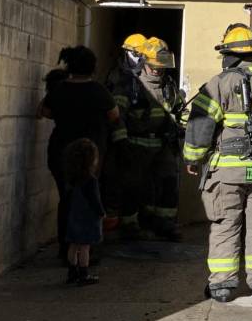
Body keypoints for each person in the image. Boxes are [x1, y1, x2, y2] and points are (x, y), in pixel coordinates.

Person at [182, 24, 252, 302]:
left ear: (229, 55)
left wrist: (192, 158)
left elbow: (200, 125)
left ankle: (223, 285)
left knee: (225, 223)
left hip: (229, 172)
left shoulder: (218, 84)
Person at [39, 46, 120, 263]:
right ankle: (86, 250)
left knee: (66, 199)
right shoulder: (99, 91)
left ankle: (66, 249)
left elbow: (44, 112)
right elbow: (114, 115)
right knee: (90, 199)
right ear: (92, 67)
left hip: (60, 153)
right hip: (90, 154)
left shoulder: (59, 90)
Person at [105, 34, 183, 241]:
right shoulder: (130, 85)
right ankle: (129, 225)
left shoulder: (169, 86)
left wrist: (178, 126)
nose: (158, 69)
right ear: (144, 62)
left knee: (168, 183)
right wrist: (121, 142)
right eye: (154, 65)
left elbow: (177, 111)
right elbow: (117, 116)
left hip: (163, 144)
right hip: (135, 145)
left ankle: (164, 224)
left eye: (162, 65)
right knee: (133, 186)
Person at [61, 138, 104, 285]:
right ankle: (83, 273)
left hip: (73, 217)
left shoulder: (71, 179)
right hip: (87, 218)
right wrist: (101, 213)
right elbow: (94, 201)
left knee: (73, 246)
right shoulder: (91, 181)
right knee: (85, 247)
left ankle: (72, 271)